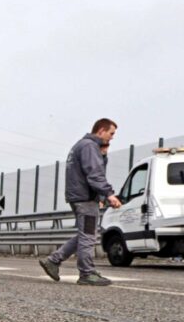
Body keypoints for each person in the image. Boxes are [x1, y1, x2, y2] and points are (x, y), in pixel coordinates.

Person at [39, 118, 123, 285]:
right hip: (84, 198)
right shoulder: (89, 146)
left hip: (80, 196)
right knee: (88, 237)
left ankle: (54, 260)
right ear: (101, 131)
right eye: (111, 133)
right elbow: (94, 174)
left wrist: (104, 155)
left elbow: (91, 171)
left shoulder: (83, 145)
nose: (112, 137)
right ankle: (87, 273)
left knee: (85, 234)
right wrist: (108, 194)